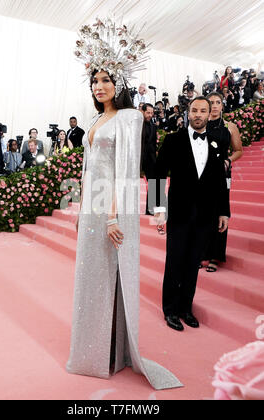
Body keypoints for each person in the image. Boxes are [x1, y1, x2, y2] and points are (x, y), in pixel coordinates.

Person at [67, 17, 182, 391]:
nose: (99, 87)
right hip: (92, 208)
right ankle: (95, 352)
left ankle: (113, 352)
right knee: (91, 279)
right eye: (94, 81)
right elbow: (87, 170)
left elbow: (126, 172)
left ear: (119, 84)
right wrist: (79, 210)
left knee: (109, 277)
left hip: (114, 209)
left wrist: (114, 215)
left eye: (105, 80)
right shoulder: (94, 120)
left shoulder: (129, 118)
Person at [154, 97, 230, 332]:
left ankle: (186, 308)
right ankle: (170, 310)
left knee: (193, 262)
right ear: (188, 113)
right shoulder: (173, 140)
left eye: (203, 110)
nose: (198, 114)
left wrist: (224, 211)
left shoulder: (217, 142)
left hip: (206, 215)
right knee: (175, 261)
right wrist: (158, 208)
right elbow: (157, 173)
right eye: (194, 110)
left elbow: (221, 181)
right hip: (179, 212)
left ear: (210, 114)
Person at [201, 92, 243, 272]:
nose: (215, 105)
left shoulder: (230, 126)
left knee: (220, 211)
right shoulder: (199, 125)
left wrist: (228, 161)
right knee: (202, 212)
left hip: (223, 175)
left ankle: (215, 256)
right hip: (202, 176)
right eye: (212, 102)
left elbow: (238, 150)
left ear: (222, 104)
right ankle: (201, 252)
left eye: (218, 102)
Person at [141, 103, 157, 215]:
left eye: (151, 113)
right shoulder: (135, 125)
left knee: (154, 183)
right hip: (137, 158)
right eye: (148, 113)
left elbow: (153, 144)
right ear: (142, 111)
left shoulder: (153, 125)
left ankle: (150, 209)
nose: (150, 115)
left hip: (150, 159)